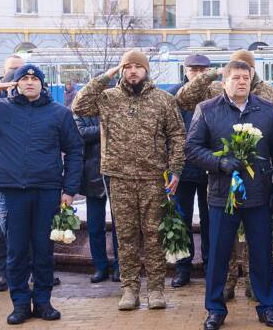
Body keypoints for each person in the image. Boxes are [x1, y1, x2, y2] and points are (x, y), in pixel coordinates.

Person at [0, 64, 83, 325]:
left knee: (44, 249)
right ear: (16, 84)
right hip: (11, 191)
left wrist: (69, 189)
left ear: (43, 84)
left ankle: (43, 301)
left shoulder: (59, 113)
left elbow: (76, 150)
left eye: (35, 79)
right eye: (24, 78)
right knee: (16, 250)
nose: (30, 82)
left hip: (46, 190)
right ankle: (21, 303)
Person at [72, 50, 186, 311]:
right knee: (126, 236)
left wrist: (176, 169)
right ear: (121, 71)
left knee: (154, 237)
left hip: (153, 178)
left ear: (146, 70)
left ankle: (156, 290)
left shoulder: (163, 100)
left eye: (138, 66)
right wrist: (105, 77)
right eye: (127, 67)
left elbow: (178, 136)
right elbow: (79, 105)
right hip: (119, 177)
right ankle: (129, 289)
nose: (133, 71)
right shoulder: (108, 98)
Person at [185, 59, 273, 330]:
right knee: (218, 255)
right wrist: (219, 162)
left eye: (246, 77)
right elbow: (192, 149)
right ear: (225, 81)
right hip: (222, 196)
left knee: (262, 254)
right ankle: (215, 310)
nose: (242, 81)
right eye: (236, 77)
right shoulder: (207, 110)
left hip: (259, 196)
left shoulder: (265, 110)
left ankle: (267, 307)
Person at [168, 53, 213, 288]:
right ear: (185, 71)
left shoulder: (215, 93)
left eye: (202, 70)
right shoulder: (175, 94)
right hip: (182, 169)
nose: (197, 74)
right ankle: (183, 267)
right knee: (182, 219)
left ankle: (209, 265)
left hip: (210, 168)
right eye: (193, 70)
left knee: (210, 219)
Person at [0, 54, 26, 292]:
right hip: (4, 175)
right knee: (2, 227)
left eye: (21, 71)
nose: (17, 76)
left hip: (31, 175)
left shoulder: (34, 98)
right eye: (12, 70)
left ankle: (31, 269)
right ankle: (1, 270)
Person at [75, 112, 119, 283]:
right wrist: (108, 127)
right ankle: (100, 267)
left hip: (117, 172)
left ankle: (120, 267)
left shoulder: (118, 102)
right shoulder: (82, 109)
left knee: (120, 225)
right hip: (92, 173)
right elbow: (81, 133)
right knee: (94, 226)